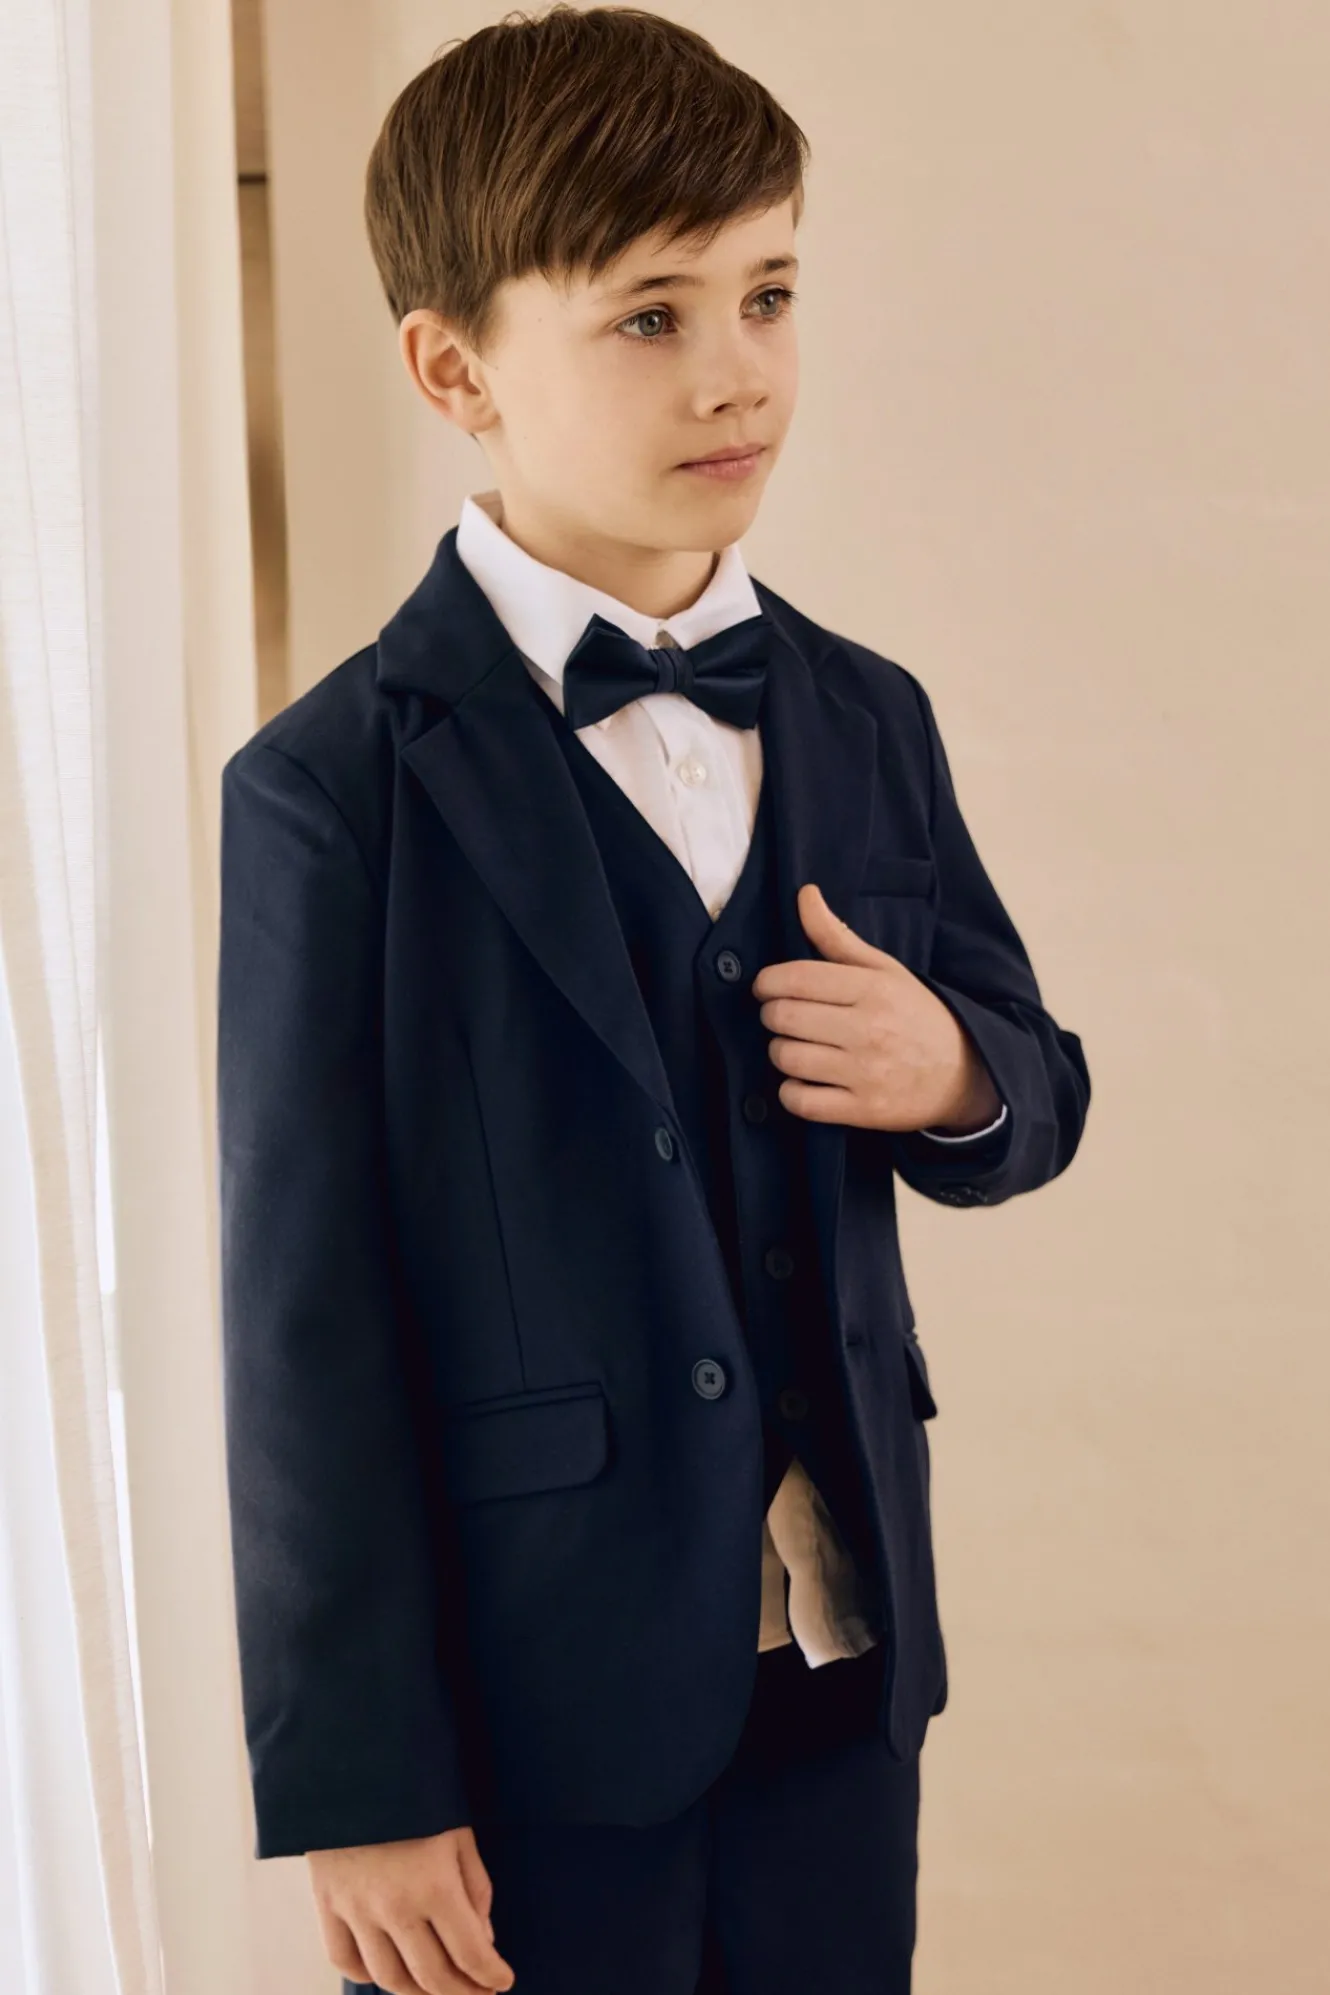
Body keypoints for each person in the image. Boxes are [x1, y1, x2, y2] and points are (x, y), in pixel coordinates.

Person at [216, 8, 1092, 1992]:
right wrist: (359, 1777)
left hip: (839, 1650)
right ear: (454, 369)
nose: (736, 371)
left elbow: (1032, 1087)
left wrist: (952, 1073)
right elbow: (299, 1319)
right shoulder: (329, 789)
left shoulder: (866, 715)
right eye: (648, 316)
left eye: (767, 294)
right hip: (524, 1697)